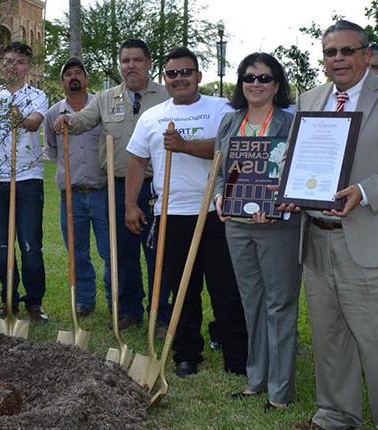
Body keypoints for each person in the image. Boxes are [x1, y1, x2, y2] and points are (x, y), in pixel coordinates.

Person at [288, 20, 378, 430]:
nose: (339, 59)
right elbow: (297, 159)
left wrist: (366, 191)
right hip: (318, 240)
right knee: (330, 339)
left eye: (347, 51)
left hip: (377, 239)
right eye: (330, 52)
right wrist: (289, 185)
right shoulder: (310, 99)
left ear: (366, 54)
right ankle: (335, 415)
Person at [125, 47, 248, 378]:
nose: (179, 78)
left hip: (217, 210)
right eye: (172, 74)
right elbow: (136, 161)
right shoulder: (151, 116)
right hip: (171, 213)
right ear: (164, 79)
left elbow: (229, 146)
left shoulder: (222, 109)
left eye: (186, 72)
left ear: (198, 76)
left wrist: (184, 146)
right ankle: (186, 352)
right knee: (182, 288)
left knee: (225, 287)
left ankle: (236, 352)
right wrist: (131, 204)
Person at [54, 39, 170, 329]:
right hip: (117, 188)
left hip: (157, 187)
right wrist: (67, 121)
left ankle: (161, 312)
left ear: (149, 63)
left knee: (159, 252)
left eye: (137, 60)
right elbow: (82, 120)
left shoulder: (166, 97)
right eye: (125, 60)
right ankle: (130, 310)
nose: (130, 66)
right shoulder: (105, 99)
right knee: (123, 252)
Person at [211, 52, 300, 409]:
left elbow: (298, 174)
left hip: (278, 226)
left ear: (276, 85)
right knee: (252, 303)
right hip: (237, 226)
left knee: (279, 305)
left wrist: (280, 202)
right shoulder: (230, 123)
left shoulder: (289, 124)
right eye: (249, 77)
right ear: (241, 83)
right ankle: (256, 379)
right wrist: (219, 196)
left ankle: (280, 391)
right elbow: (220, 173)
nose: (256, 84)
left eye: (264, 78)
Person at [0, 42, 50, 322]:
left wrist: (21, 119)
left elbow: (34, 123)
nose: (11, 66)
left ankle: (34, 302)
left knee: (30, 244)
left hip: (27, 178)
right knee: (2, 244)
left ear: (27, 65)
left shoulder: (37, 95)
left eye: (17, 61)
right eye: (6, 61)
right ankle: (8, 299)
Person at [44, 57, 111, 317]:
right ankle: (85, 300)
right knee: (77, 250)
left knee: (109, 250)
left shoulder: (101, 107)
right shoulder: (53, 114)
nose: (74, 77)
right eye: (68, 73)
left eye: (78, 73)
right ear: (62, 82)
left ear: (86, 79)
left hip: (101, 192)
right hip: (71, 195)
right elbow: (50, 148)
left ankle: (114, 298)